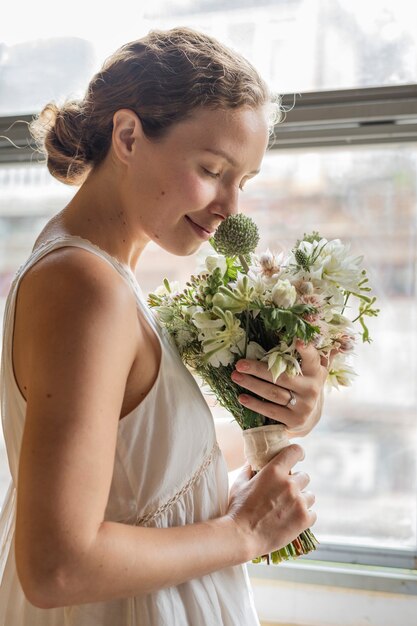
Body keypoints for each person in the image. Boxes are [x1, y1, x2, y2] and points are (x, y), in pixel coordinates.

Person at [0, 27, 330, 625]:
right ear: (128, 136)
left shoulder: (104, 278)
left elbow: (141, 493)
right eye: (212, 169)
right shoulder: (84, 287)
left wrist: (274, 418)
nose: (232, 206)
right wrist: (244, 533)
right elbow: (57, 566)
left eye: (243, 182)